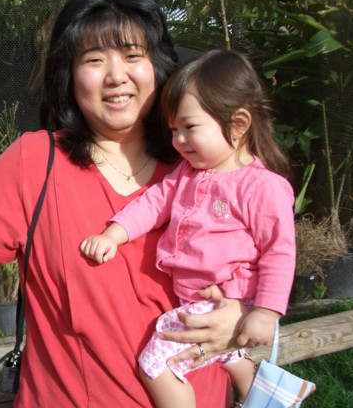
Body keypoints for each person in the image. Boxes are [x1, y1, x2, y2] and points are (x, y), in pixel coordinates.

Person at [0, 0, 249, 407]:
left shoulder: (205, 167)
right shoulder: (35, 163)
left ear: (159, 68)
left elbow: (261, 261)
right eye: (93, 60)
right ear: (69, 75)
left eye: (132, 56)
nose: (116, 76)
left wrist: (241, 316)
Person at [80, 50, 296, 407]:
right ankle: (260, 391)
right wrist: (114, 233)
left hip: (223, 299)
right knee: (225, 352)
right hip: (200, 298)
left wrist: (266, 313)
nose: (179, 141)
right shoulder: (187, 174)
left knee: (154, 363)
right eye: (174, 130)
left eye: (189, 128)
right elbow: (153, 204)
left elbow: (280, 250)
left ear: (238, 124)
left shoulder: (261, 186)